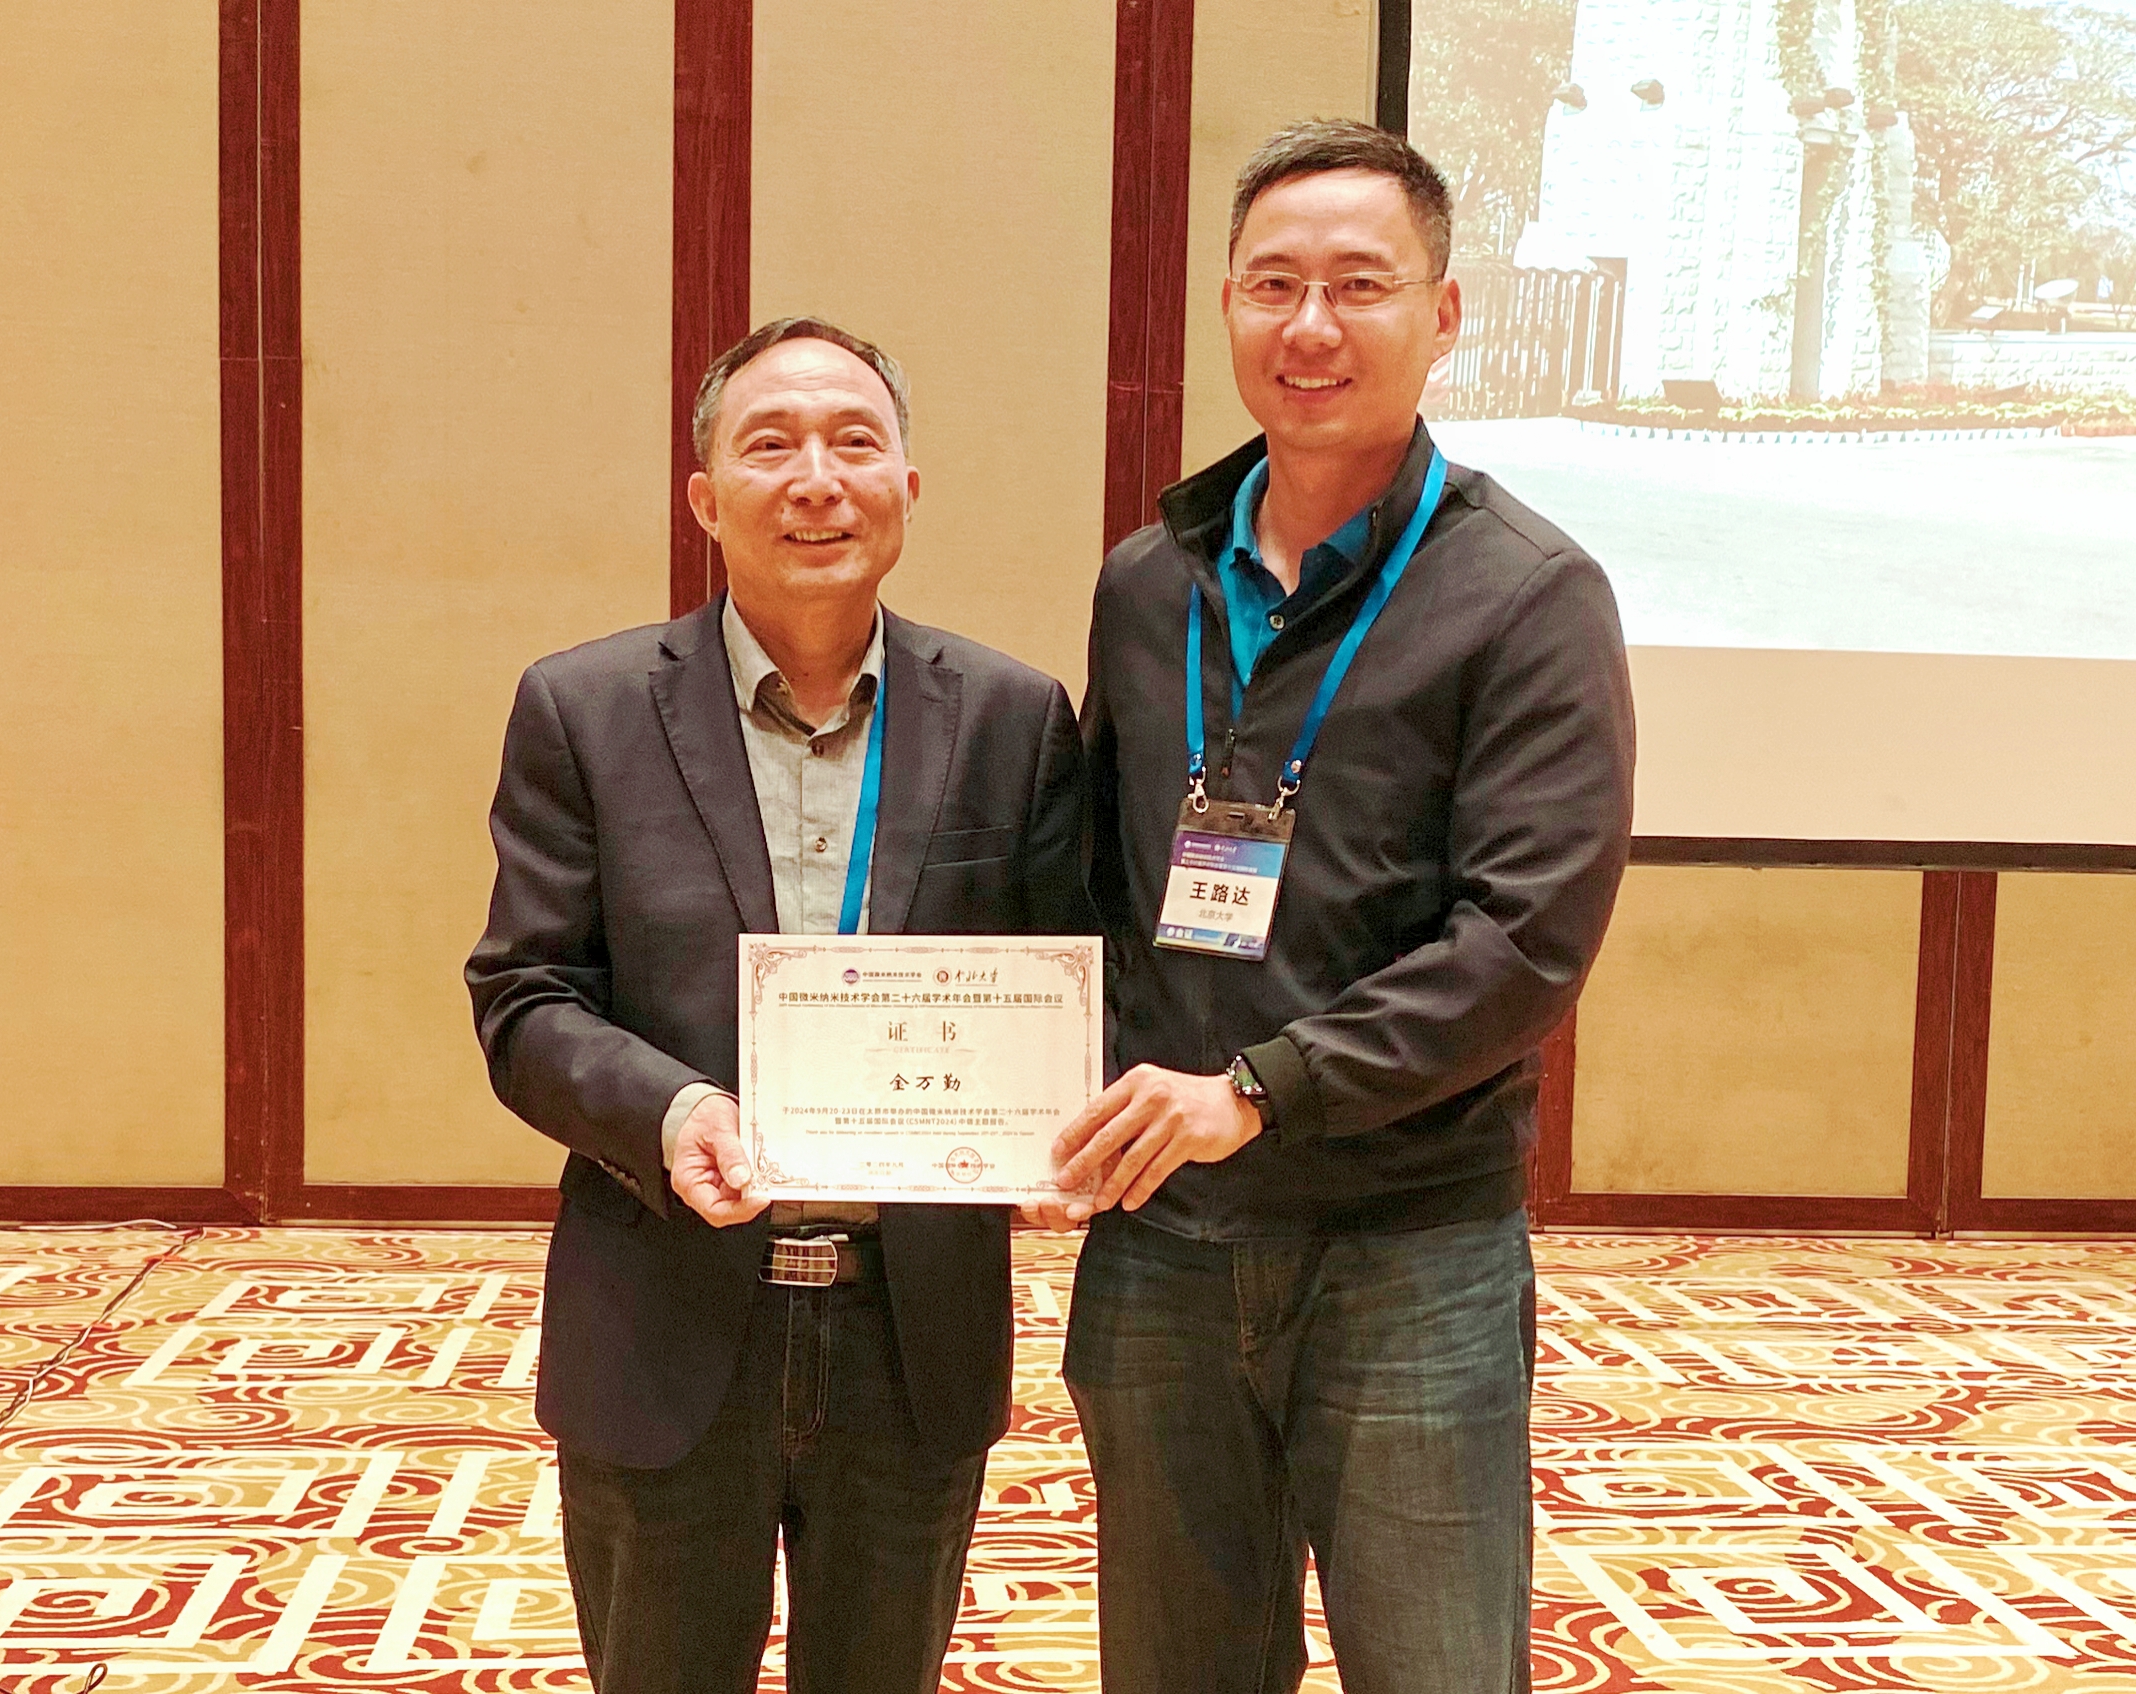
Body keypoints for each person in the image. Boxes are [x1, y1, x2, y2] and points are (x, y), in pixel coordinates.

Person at [1050, 120, 1637, 1693]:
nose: (1309, 325)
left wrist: (1256, 1090)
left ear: (1441, 316)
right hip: (1163, 1242)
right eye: (1273, 285)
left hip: (1407, 1247)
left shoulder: (1525, 594)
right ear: (1227, 305)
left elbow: (1524, 940)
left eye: (1357, 285)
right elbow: (1094, 890)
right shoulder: (1149, 582)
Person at [466, 316, 1090, 1694]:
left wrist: (1066, 1128)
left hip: (912, 1335)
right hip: (666, 1317)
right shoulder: (583, 708)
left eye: (855, 441)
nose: (817, 479)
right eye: (771, 445)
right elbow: (525, 995)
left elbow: (1068, 983)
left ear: (907, 487)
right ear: (704, 497)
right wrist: (671, 1109)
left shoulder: (1012, 716)